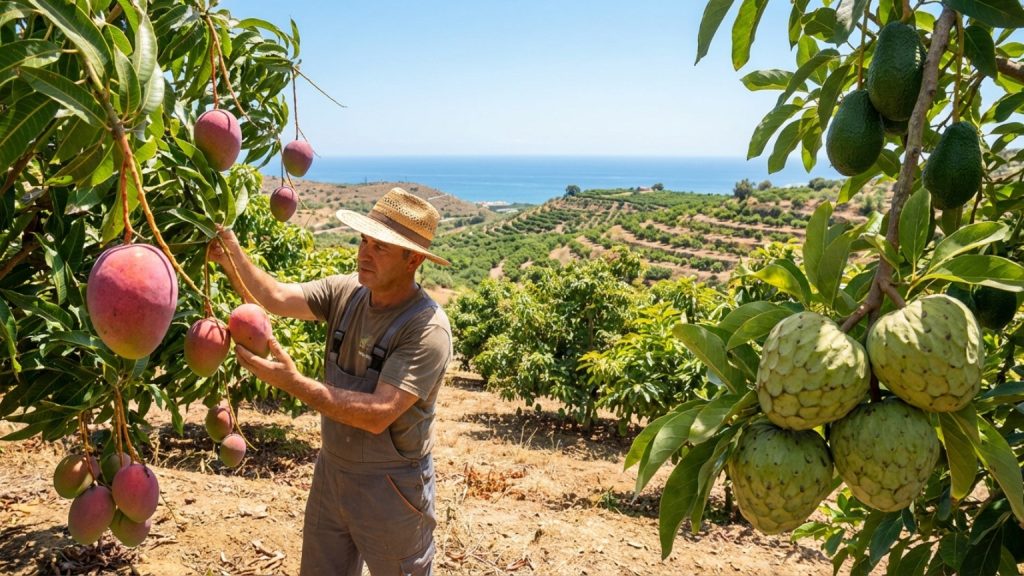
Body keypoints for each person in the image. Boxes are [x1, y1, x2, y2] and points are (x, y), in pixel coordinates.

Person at [208, 187, 453, 575]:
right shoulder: (347, 292)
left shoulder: (426, 328)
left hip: (391, 489)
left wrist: (293, 383)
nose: (364, 254)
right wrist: (230, 254)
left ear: (413, 260)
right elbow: (274, 297)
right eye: (364, 241)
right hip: (332, 473)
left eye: (380, 247)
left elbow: (379, 413)